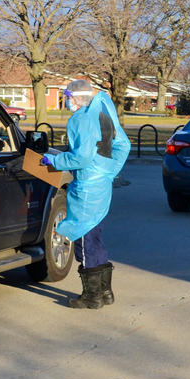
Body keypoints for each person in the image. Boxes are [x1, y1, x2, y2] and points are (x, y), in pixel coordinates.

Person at [41, 80, 131, 309]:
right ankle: (105, 292)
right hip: (101, 185)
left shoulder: (81, 119)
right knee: (96, 237)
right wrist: (109, 171)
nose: (67, 101)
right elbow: (124, 145)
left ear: (77, 97)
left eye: (68, 96)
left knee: (84, 241)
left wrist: (55, 160)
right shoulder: (103, 112)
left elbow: (81, 157)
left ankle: (92, 297)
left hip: (87, 188)